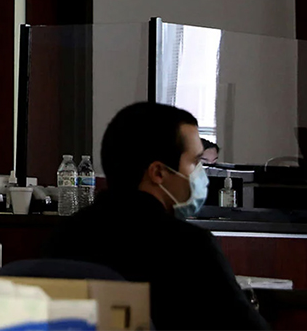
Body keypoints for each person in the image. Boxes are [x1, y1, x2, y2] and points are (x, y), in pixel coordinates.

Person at [44, 102, 268, 330]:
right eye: (194, 162)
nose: (201, 174)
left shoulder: (63, 236)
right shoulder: (189, 246)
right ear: (158, 173)